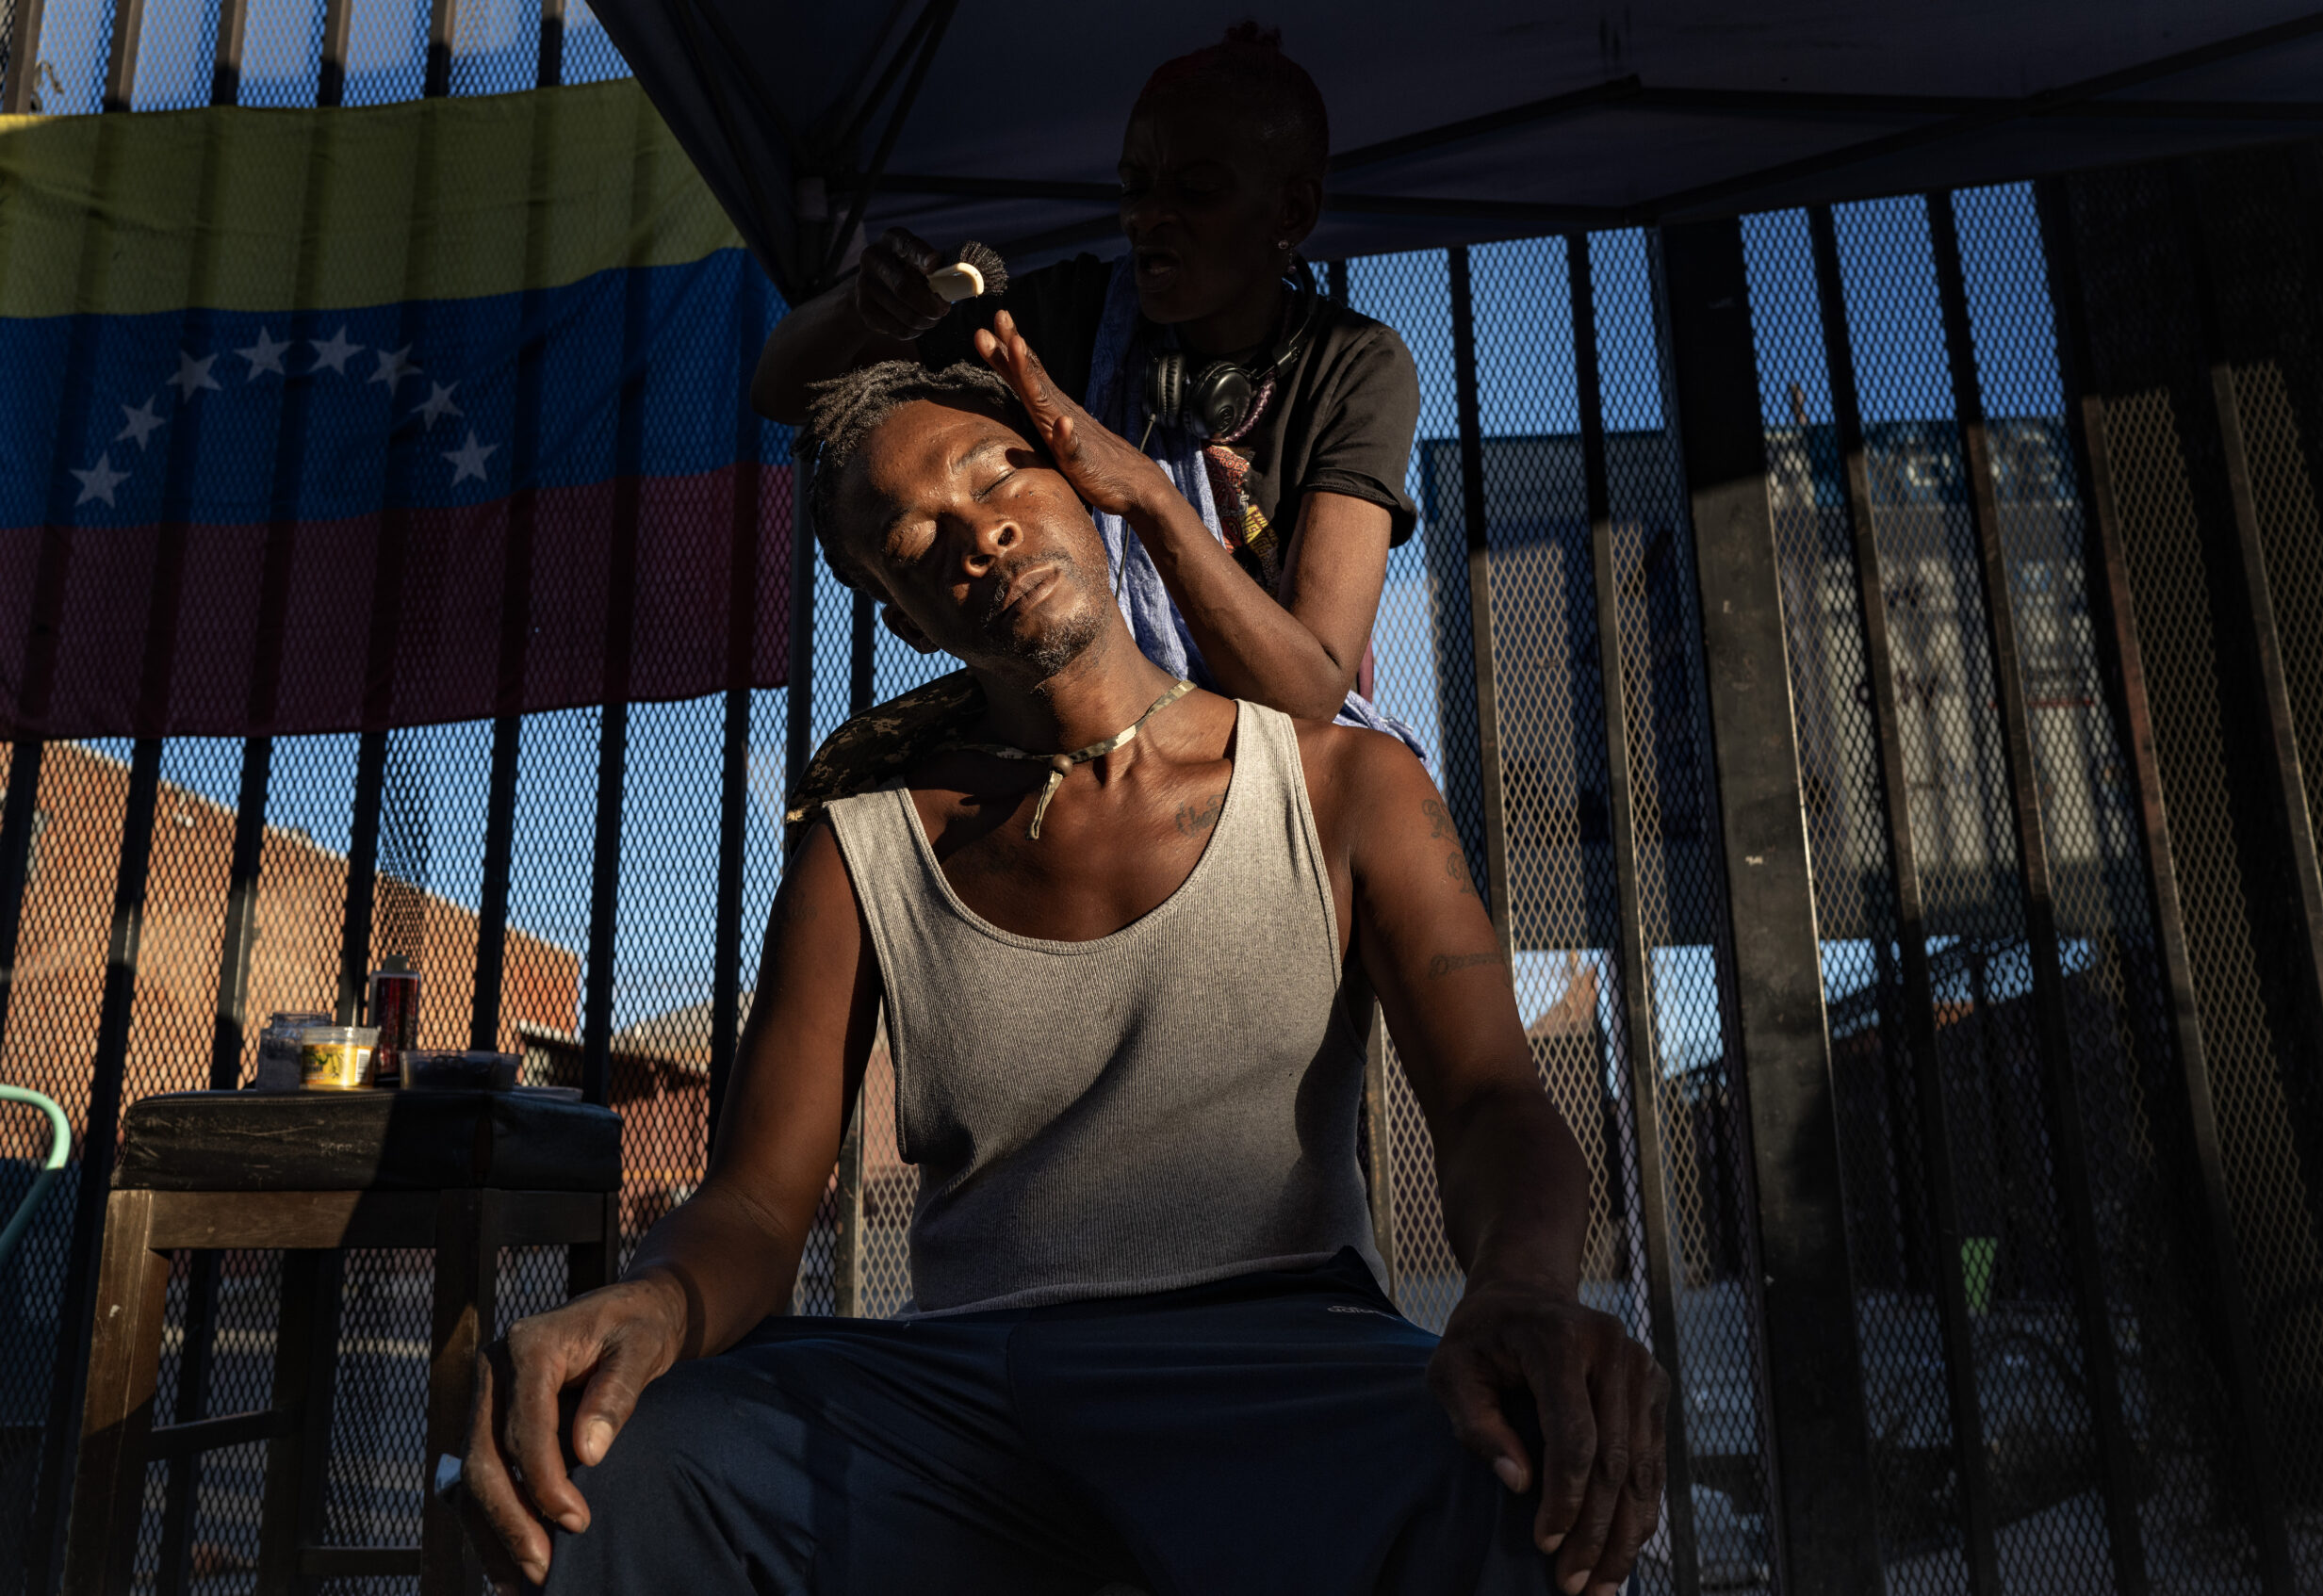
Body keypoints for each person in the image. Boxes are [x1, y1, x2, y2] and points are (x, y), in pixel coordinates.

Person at [451, 362, 1667, 1596]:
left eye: (999, 473)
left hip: (1281, 1359)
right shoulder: (862, 847)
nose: (978, 526)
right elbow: (761, 1205)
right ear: (900, 611)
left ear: (1085, 492)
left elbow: (1493, 1105)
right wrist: (656, 1301)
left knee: (1522, 1480)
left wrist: (1519, 1290)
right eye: (913, 531)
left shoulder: (1344, 786)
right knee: (589, 1469)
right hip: (960, 1388)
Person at [753, 25, 1426, 844]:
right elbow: (785, 389)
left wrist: (1143, 490)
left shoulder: (1356, 364)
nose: (1149, 216)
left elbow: (1308, 693)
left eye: (1196, 189)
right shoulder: (1067, 314)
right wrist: (864, 304)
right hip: (1084, 769)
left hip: (1268, 791)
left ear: (1291, 211)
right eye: (1135, 186)